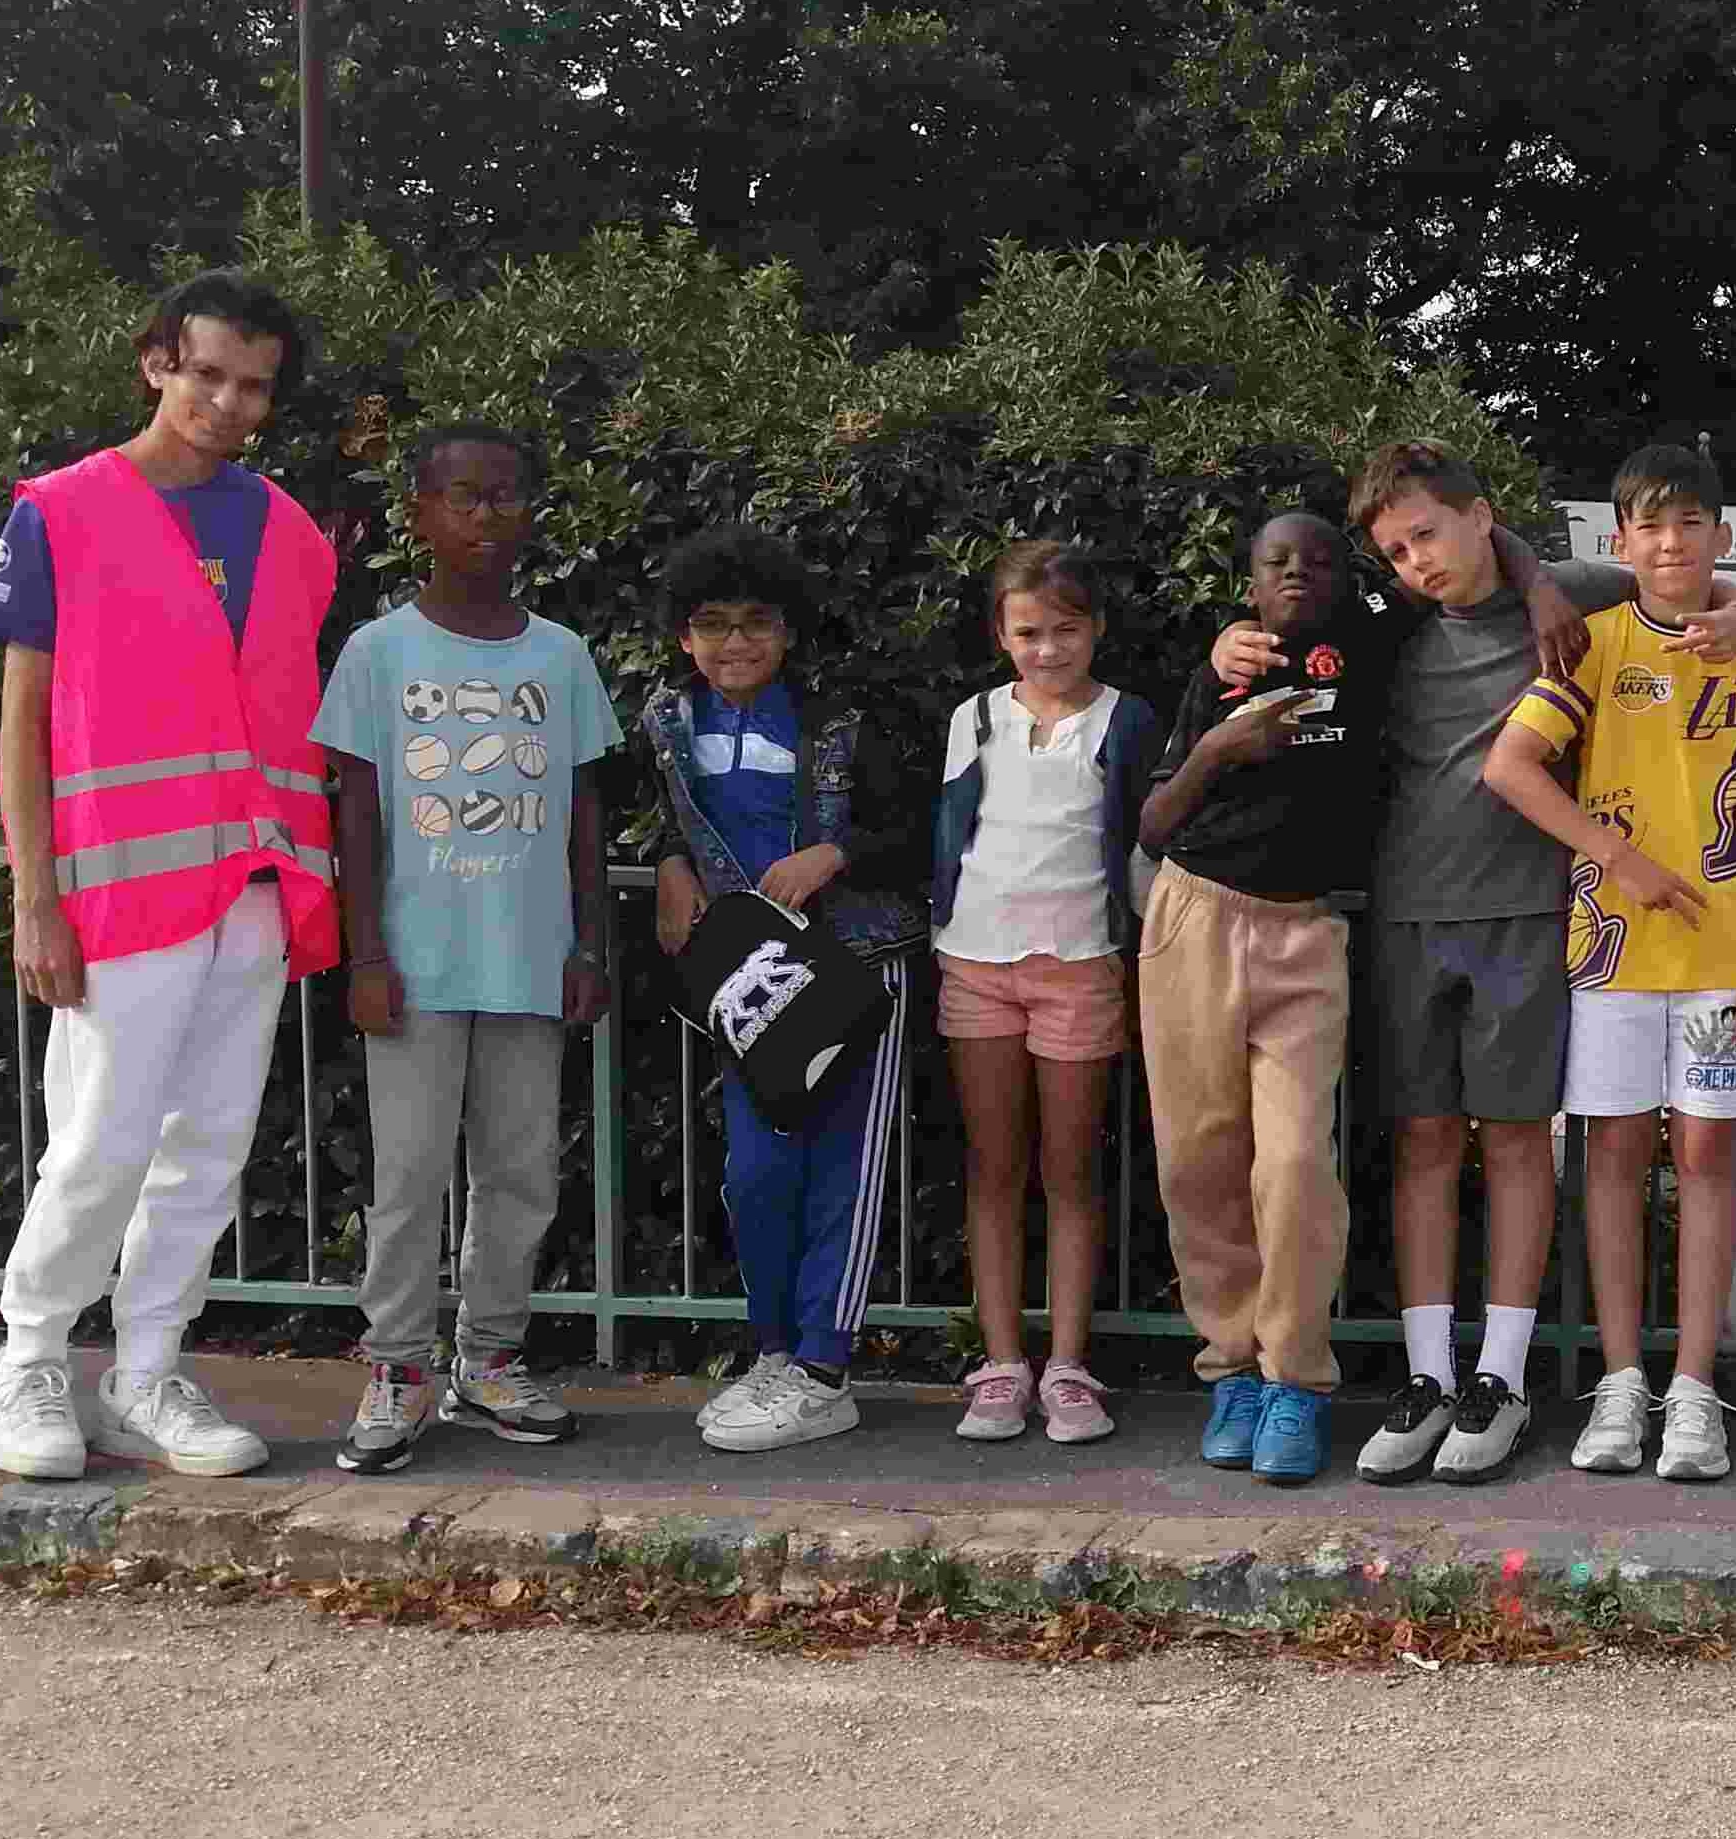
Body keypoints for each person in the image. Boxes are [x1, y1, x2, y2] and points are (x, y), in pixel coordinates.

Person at [1220, 439, 1736, 1488]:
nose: (1417, 563)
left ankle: (1499, 1377)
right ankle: (1428, 1375)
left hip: (1529, 914)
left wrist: (1728, 616)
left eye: (1429, 536)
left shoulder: (1581, 594)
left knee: (1511, 1142)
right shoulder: (1386, 625)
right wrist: (1230, 646)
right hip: (1408, 915)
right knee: (1420, 1142)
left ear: (1481, 518)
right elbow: (1283, 630)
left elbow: (1686, 580)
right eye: (1396, 551)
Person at [0, 271, 336, 1482]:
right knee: (100, 1139)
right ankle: (26, 1360)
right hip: (122, 892)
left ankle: (147, 1370)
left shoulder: (291, 531)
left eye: (255, 387)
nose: (228, 403)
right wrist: (35, 896)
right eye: (209, 374)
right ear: (157, 364)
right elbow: (20, 723)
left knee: (211, 1144)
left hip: (255, 883)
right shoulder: (63, 510)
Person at [1477, 445, 1736, 1483]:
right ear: (1619, 542)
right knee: (1617, 1160)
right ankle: (1622, 1382)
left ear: (1721, 538)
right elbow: (1509, 767)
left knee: (1710, 1161)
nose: (1669, 543)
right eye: (1648, 526)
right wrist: (1614, 856)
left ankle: (1695, 1391)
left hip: (1727, 959)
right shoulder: (1589, 645)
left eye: (1689, 525)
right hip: (1612, 956)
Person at [313, 424, 618, 1474]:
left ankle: (490, 1357)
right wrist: (364, 956)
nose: (483, 516)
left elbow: (585, 809)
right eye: (461, 497)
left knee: (521, 1172)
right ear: (419, 515)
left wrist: (588, 946)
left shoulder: (561, 654)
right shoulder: (379, 650)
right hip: (413, 964)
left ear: (531, 511)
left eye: (504, 496)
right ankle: (398, 1366)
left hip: (530, 960)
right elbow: (354, 812)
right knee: (405, 1177)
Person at [639, 525, 928, 1453]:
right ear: (684, 636)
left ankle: (824, 1366)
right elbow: (660, 815)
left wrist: (835, 852)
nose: (735, 642)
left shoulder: (842, 719)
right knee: (757, 1173)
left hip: (855, 969)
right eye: (712, 625)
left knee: (842, 1169)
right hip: (750, 980)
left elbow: (920, 829)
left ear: (788, 629)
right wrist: (671, 859)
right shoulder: (666, 720)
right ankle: (773, 1351)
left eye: (755, 622)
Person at [1146, 513, 1394, 1485]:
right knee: (1200, 1163)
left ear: (1346, 577)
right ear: (1248, 583)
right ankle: (1232, 1369)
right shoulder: (1219, 670)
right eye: (1277, 563)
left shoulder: (1372, 642)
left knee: (1293, 1164)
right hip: (1196, 917)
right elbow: (1154, 818)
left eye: (1319, 561)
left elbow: (1484, 552)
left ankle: (1296, 1378)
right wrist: (1220, 747)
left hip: (1304, 933)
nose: (1299, 575)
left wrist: (1541, 589)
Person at [932, 542, 1160, 1445]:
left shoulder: (1127, 720)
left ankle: (1068, 1364)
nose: (1049, 649)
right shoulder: (975, 718)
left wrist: (1146, 961)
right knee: (992, 1168)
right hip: (976, 964)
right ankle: (1000, 1365)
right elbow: (951, 831)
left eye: (1067, 630)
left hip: (1082, 964)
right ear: (1001, 634)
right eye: (1029, 632)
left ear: (1097, 627)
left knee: (1070, 1171)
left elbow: (1143, 847)